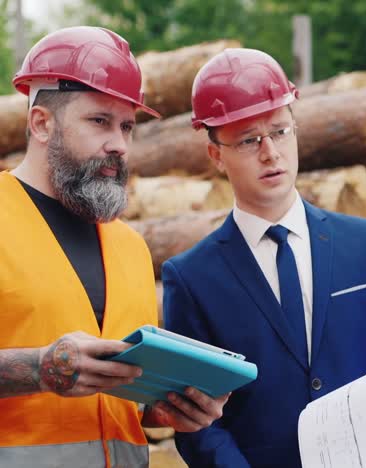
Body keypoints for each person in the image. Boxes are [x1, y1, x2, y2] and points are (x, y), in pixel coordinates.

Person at [162, 48, 366, 468]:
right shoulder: (192, 278)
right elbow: (197, 424)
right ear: (216, 154)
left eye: (280, 131)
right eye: (249, 139)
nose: (270, 152)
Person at [0, 26, 228, 468]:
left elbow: (118, 400)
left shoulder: (130, 248)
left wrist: (162, 410)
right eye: (99, 121)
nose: (119, 145)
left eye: (127, 126)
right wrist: (41, 367)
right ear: (42, 123)